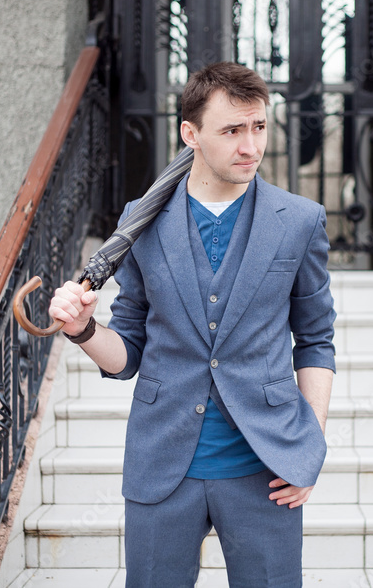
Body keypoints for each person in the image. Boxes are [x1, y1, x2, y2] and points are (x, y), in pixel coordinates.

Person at [48, 61, 336, 587]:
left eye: (259, 127)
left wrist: (307, 448)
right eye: (232, 131)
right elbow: (128, 353)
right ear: (191, 134)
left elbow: (316, 340)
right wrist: (83, 330)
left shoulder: (299, 220)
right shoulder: (140, 221)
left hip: (266, 467)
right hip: (162, 463)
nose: (250, 146)